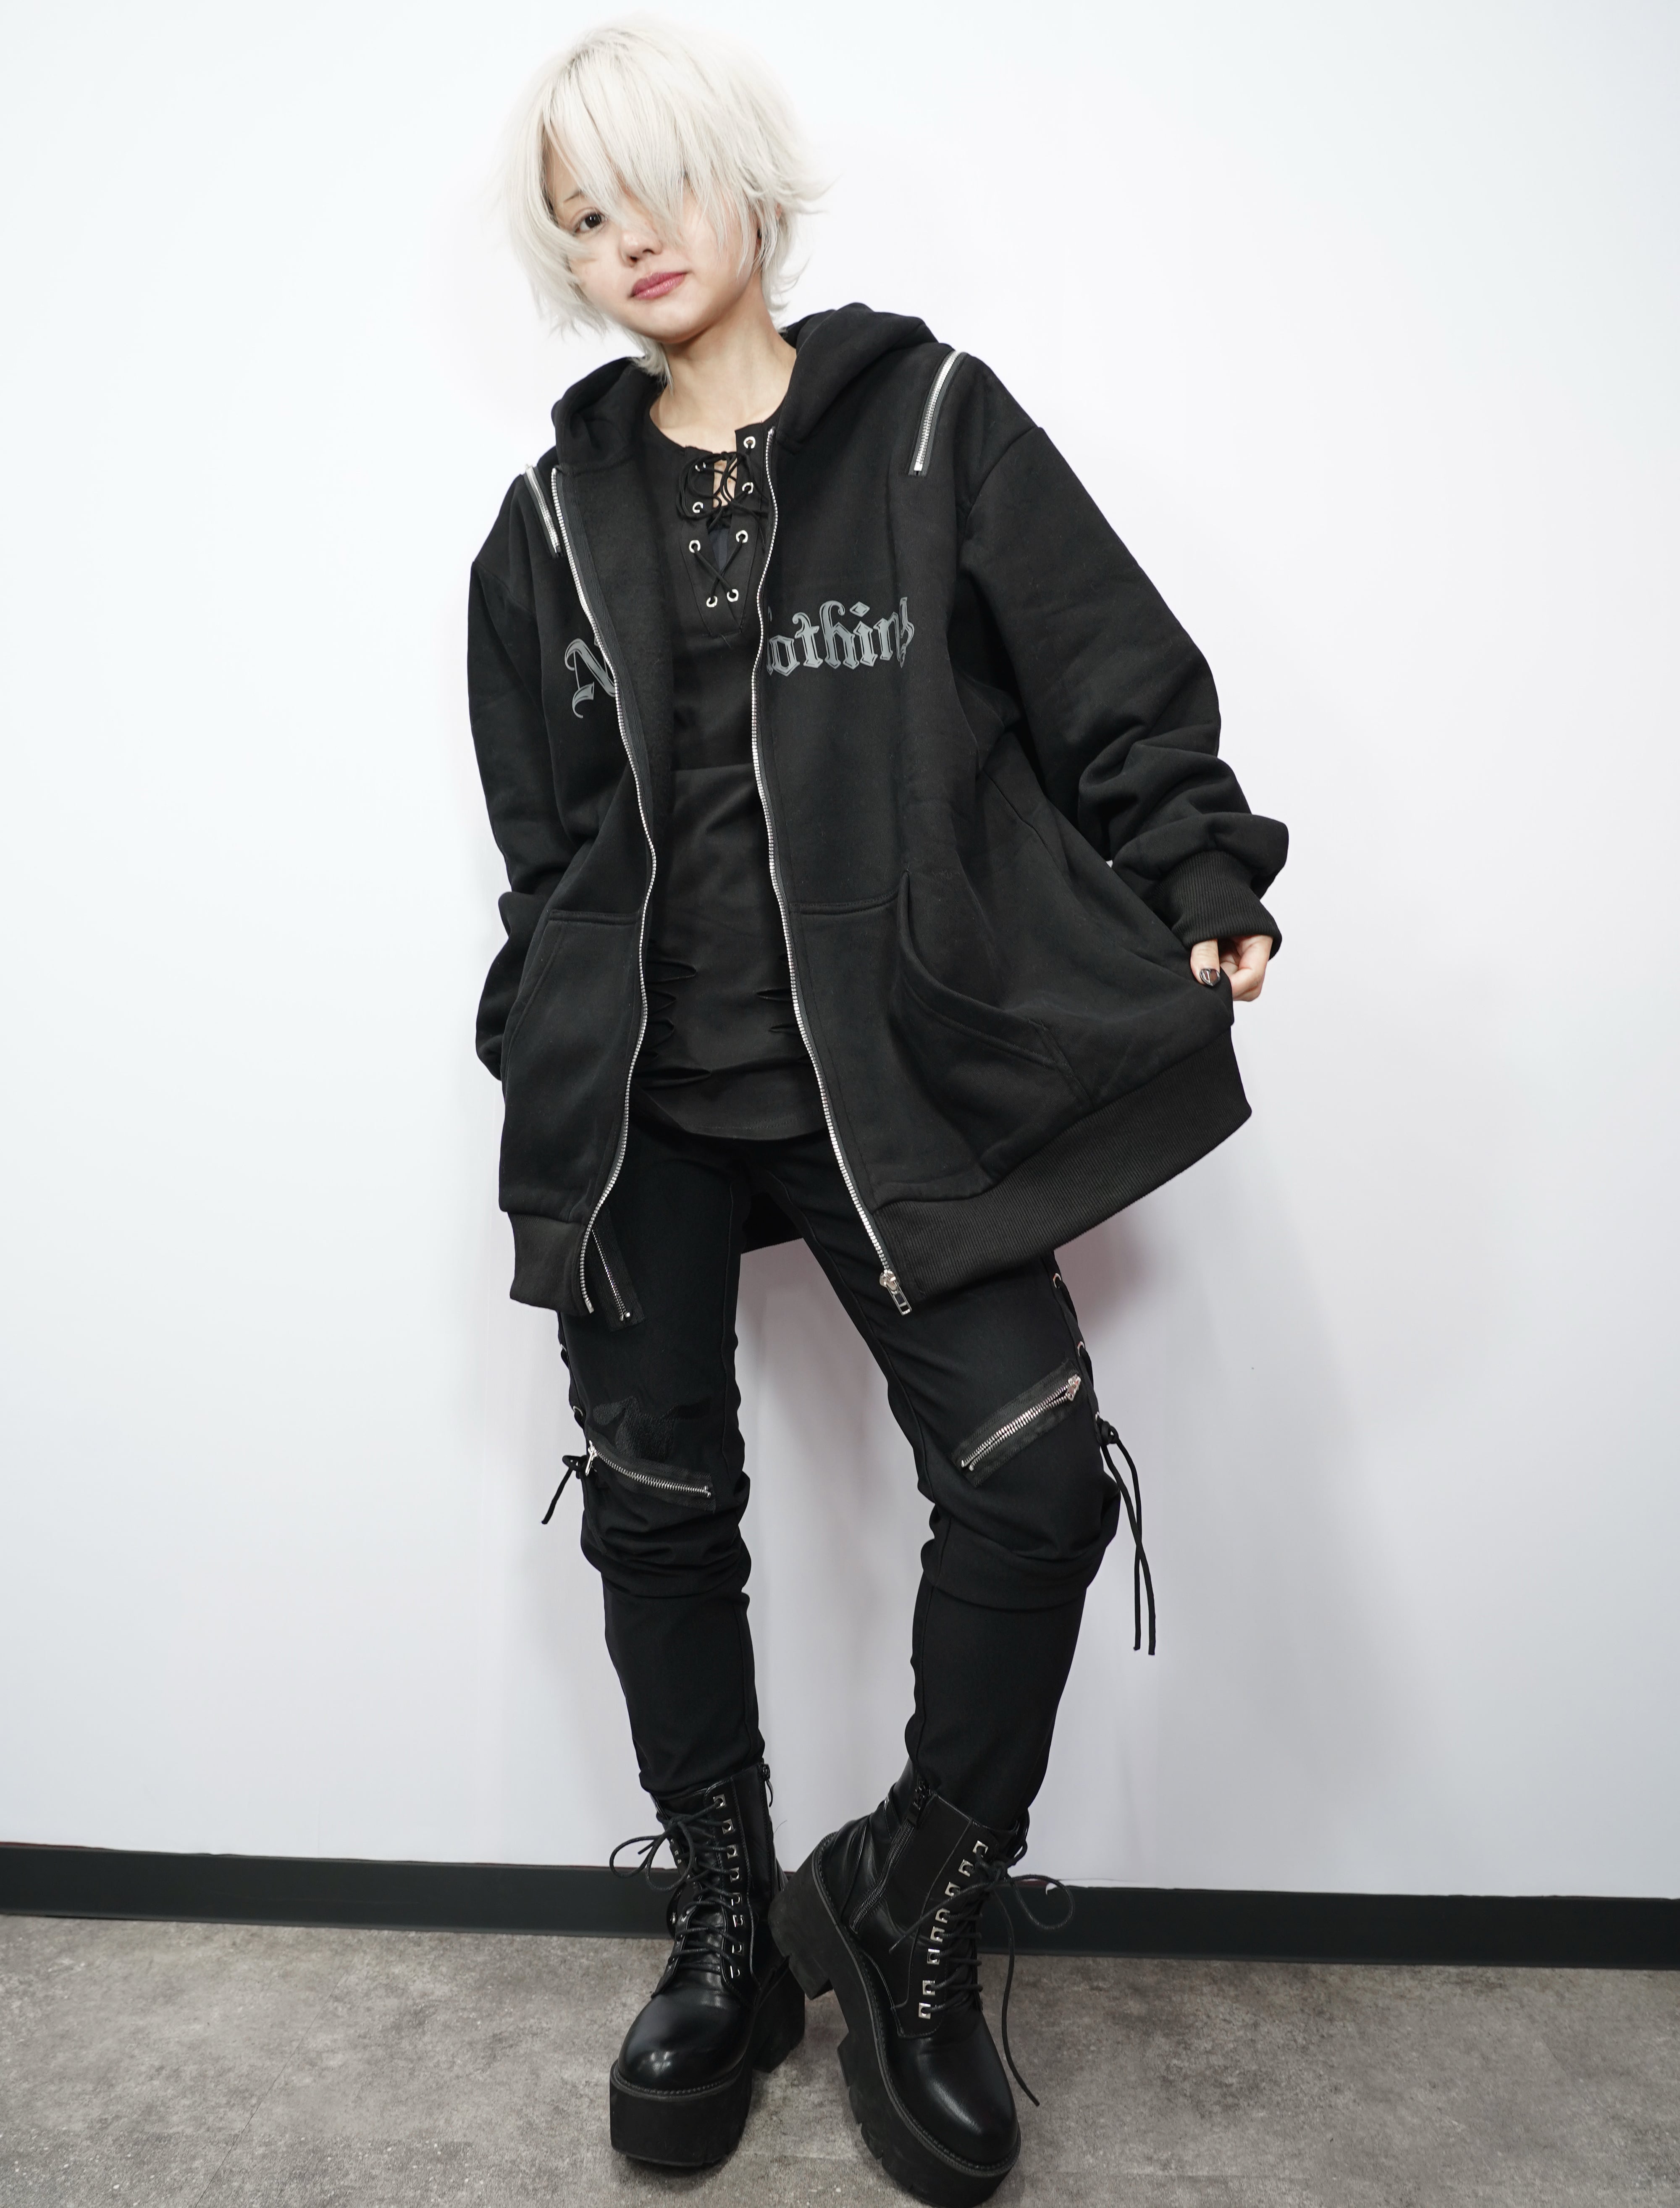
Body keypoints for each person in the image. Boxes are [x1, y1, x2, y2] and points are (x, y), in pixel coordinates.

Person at [469, 19, 1285, 2203]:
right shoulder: (542, 527)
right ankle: (730, 1929)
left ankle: (910, 1899)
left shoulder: (930, 429)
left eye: (652, 183)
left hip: (894, 1083)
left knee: (1033, 1482)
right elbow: (549, 855)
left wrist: (1201, 876)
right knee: (657, 1507)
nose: (625, 239)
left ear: (742, 177)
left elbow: (1111, 682)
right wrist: (539, 1034)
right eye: (580, 215)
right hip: (642, 1106)